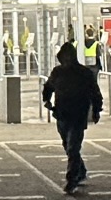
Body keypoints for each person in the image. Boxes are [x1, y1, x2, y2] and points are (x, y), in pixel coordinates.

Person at [43, 41, 103, 192]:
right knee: (67, 145)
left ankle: (72, 178)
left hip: (78, 113)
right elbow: (48, 87)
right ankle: (80, 170)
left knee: (73, 146)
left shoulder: (84, 73)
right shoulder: (58, 72)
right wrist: (47, 100)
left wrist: (96, 110)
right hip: (62, 113)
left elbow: (95, 93)